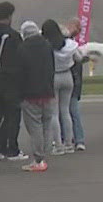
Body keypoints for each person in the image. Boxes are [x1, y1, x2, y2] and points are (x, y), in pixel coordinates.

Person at [17, 20, 57, 172]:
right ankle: (44, 155)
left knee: (34, 127)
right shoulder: (47, 46)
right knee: (47, 125)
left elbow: (20, 73)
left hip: (30, 93)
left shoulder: (22, 48)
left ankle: (38, 158)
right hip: (47, 91)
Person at [0, 2, 25, 160]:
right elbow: (20, 59)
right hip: (11, 81)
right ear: (9, 16)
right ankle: (11, 148)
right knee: (12, 115)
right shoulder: (13, 36)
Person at [48, 19, 80, 153]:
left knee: (54, 113)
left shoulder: (48, 46)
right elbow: (78, 58)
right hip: (67, 76)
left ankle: (58, 144)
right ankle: (69, 142)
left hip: (54, 76)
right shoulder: (69, 45)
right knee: (65, 111)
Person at [62, 19, 87, 151]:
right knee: (69, 112)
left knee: (70, 112)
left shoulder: (71, 45)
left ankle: (76, 139)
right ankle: (73, 139)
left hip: (72, 80)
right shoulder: (70, 44)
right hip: (71, 79)